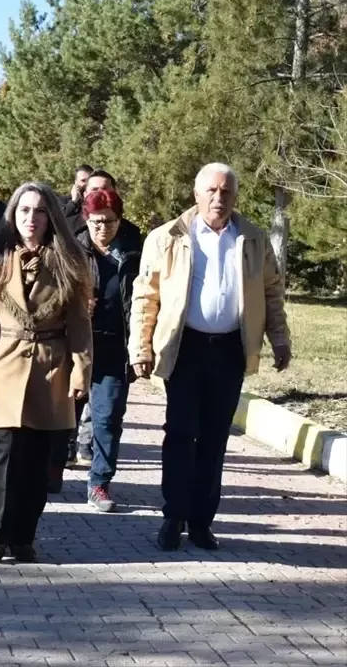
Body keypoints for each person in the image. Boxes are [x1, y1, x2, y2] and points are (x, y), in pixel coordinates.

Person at [130, 163, 290, 552]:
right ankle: (173, 517)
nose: (219, 198)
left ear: (236, 196)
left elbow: (271, 291)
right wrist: (141, 347)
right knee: (181, 434)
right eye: (212, 191)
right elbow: (145, 296)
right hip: (185, 348)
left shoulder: (251, 238)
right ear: (197, 194)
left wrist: (280, 338)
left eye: (227, 192)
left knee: (215, 439)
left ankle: (202, 522)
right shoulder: (167, 237)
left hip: (230, 350)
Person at [0, 181, 92, 563]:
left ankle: (24, 536)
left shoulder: (69, 262)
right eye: (23, 211)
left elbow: (80, 325)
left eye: (38, 211)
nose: (31, 219)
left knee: (38, 458)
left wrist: (80, 372)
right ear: (12, 216)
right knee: (5, 452)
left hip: (52, 366)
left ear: (50, 216)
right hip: (5, 363)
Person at [74, 188, 141, 513]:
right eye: (97, 222)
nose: (103, 228)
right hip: (73, 346)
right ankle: (50, 468)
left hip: (115, 347)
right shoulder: (71, 250)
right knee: (63, 415)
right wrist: (75, 306)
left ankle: (99, 481)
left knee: (108, 417)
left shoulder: (132, 254)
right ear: (86, 219)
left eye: (110, 222)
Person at [64, 170, 143, 241]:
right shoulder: (69, 228)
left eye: (104, 189)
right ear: (85, 195)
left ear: (115, 193)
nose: (100, 194)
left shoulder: (131, 232)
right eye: (94, 190)